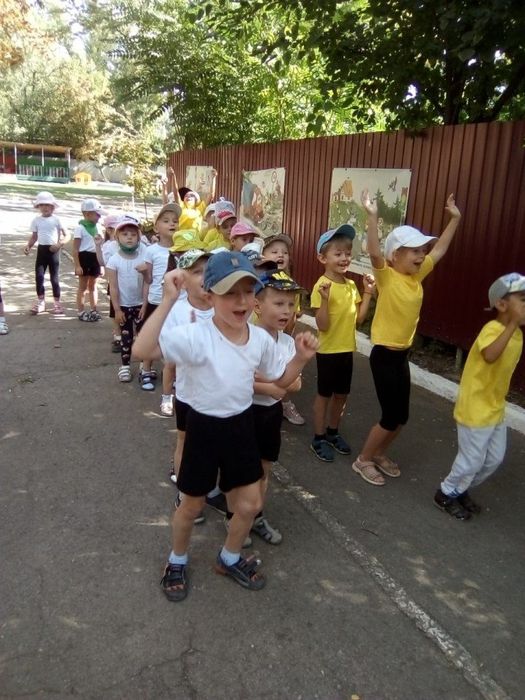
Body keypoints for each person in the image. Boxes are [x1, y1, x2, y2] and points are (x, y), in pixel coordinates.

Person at [132, 250, 319, 602]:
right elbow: (143, 350)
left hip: (240, 428)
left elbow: (280, 380)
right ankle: (177, 559)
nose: (242, 301)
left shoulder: (259, 339)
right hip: (203, 429)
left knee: (248, 505)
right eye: (230, 292)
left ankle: (229, 557)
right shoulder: (195, 335)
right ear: (210, 293)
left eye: (248, 291)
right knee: (191, 506)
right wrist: (169, 299)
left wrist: (300, 358)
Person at [352, 190, 461, 485]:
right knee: (390, 416)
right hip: (384, 357)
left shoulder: (416, 277)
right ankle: (363, 460)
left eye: (422, 249)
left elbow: (440, 251)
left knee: (402, 416)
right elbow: (374, 252)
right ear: (395, 255)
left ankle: (379, 453)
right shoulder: (387, 277)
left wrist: (455, 219)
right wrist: (372, 217)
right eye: (414, 250)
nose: (422, 254)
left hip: (402, 356)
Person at [434, 273, 525, 520]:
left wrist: (515, 326)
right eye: (523, 299)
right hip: (475, 408)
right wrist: (512, 324)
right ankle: (445, 492)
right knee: (472, 460)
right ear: (502, 305)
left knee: (494, 459)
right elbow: (490, 355)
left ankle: (461, 488)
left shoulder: (517, 334)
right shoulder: (493, 329)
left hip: (495, 408)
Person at [310, 225, 376, 462]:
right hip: (328, 351)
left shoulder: (349, 286)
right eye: (337, 254)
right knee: (324, 395)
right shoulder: (321, 286)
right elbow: (323, 325)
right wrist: (326, 300)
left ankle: (332, 432)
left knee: (341, 395)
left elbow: (358, 319)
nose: (344, 258)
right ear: (323, 258)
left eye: (347, 253)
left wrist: (367, 293)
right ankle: (318, 437)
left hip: (346, 350)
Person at [248, 269, 304, 544]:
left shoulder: (288, 342)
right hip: (244, 412)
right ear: (257, 306)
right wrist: (277, 384)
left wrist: (271, 381)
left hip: (271, 414)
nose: (287, 311)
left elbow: (296, 385)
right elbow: (237, 382)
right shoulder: (245, 338)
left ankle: (256, 517)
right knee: (240, 471)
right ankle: (235, 518)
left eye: (291, 305)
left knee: (264, 469)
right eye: (279, 303)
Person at [262, 233, 305, 425]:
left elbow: (293, 316)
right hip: (260, 332)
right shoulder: (258, 282)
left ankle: (284, 402)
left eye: (285, 252)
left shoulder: (290, 284)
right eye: (274, 251)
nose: (281, 254)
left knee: (281, 368)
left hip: (282, 336)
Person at [139, 203, 182, 392]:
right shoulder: (152, 251)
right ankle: (146, 369)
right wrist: (144, 302)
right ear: (156, 227)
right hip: (156, 301)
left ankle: (173, 373)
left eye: (175, 221)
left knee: (174, 338)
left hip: (176, 302)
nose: (171, 224)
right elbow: (148, 280)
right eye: (166, 221)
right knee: (152, 336)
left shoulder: (184, 250)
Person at [104, 215, 150, 382]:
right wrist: (116, 309)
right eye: (125, 234)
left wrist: (145, 305)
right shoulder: (114, 261)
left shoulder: (143, 257)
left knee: (144, 336)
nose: (129, 237)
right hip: (123, 306)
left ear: (139, 237)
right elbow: (113, 288)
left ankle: (145, 366)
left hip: (140, 305)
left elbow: (147, 283)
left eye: (133, 234)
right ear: (117, 238)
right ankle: (125, 366)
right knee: (126, 337)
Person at [24, 191, 67, 315]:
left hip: (53, 251)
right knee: (39, 277)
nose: (45, 207)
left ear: (53, 207)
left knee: (54, 278)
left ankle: (57, 304)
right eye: (42, 205)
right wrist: (28, 246)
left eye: (47, 205)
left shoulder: (57, 220)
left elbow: (67, 235)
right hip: (41, 251)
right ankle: (41, 302)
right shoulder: (36, 220)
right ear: (38, 207)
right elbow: (34, 237)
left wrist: (59, 244)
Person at [73, 198, 106, 322]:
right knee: (83, 286)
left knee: (93, 285)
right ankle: (81, 311)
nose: (99, 216)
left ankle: (94, 309)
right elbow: (75, 248)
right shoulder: (80, 228)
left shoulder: (98, 227)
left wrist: (101, 264)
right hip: (84, 257)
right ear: (87, 214)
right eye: (97, 214)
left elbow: (100, 246)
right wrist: (77, 265)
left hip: (95, 257)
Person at [97, 213, 122, 352]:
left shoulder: (126, 243)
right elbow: (102, 262)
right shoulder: (108, 245)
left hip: (128, 283)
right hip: (114, 283)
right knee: (115, 310)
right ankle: (118, 336)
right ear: (109, 230)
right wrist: (97, 246)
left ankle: (132, 335)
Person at [171, 168, 217, 234]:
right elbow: (175, 193)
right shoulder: (181, 206)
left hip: (195, 239)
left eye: (191, 196)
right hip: (181, 237)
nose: (188, 197)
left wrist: (213, 178)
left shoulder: (200, 209)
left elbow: (211, 195)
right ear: (183, 200)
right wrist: (173, 175)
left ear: (196, 200)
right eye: (186, 196)